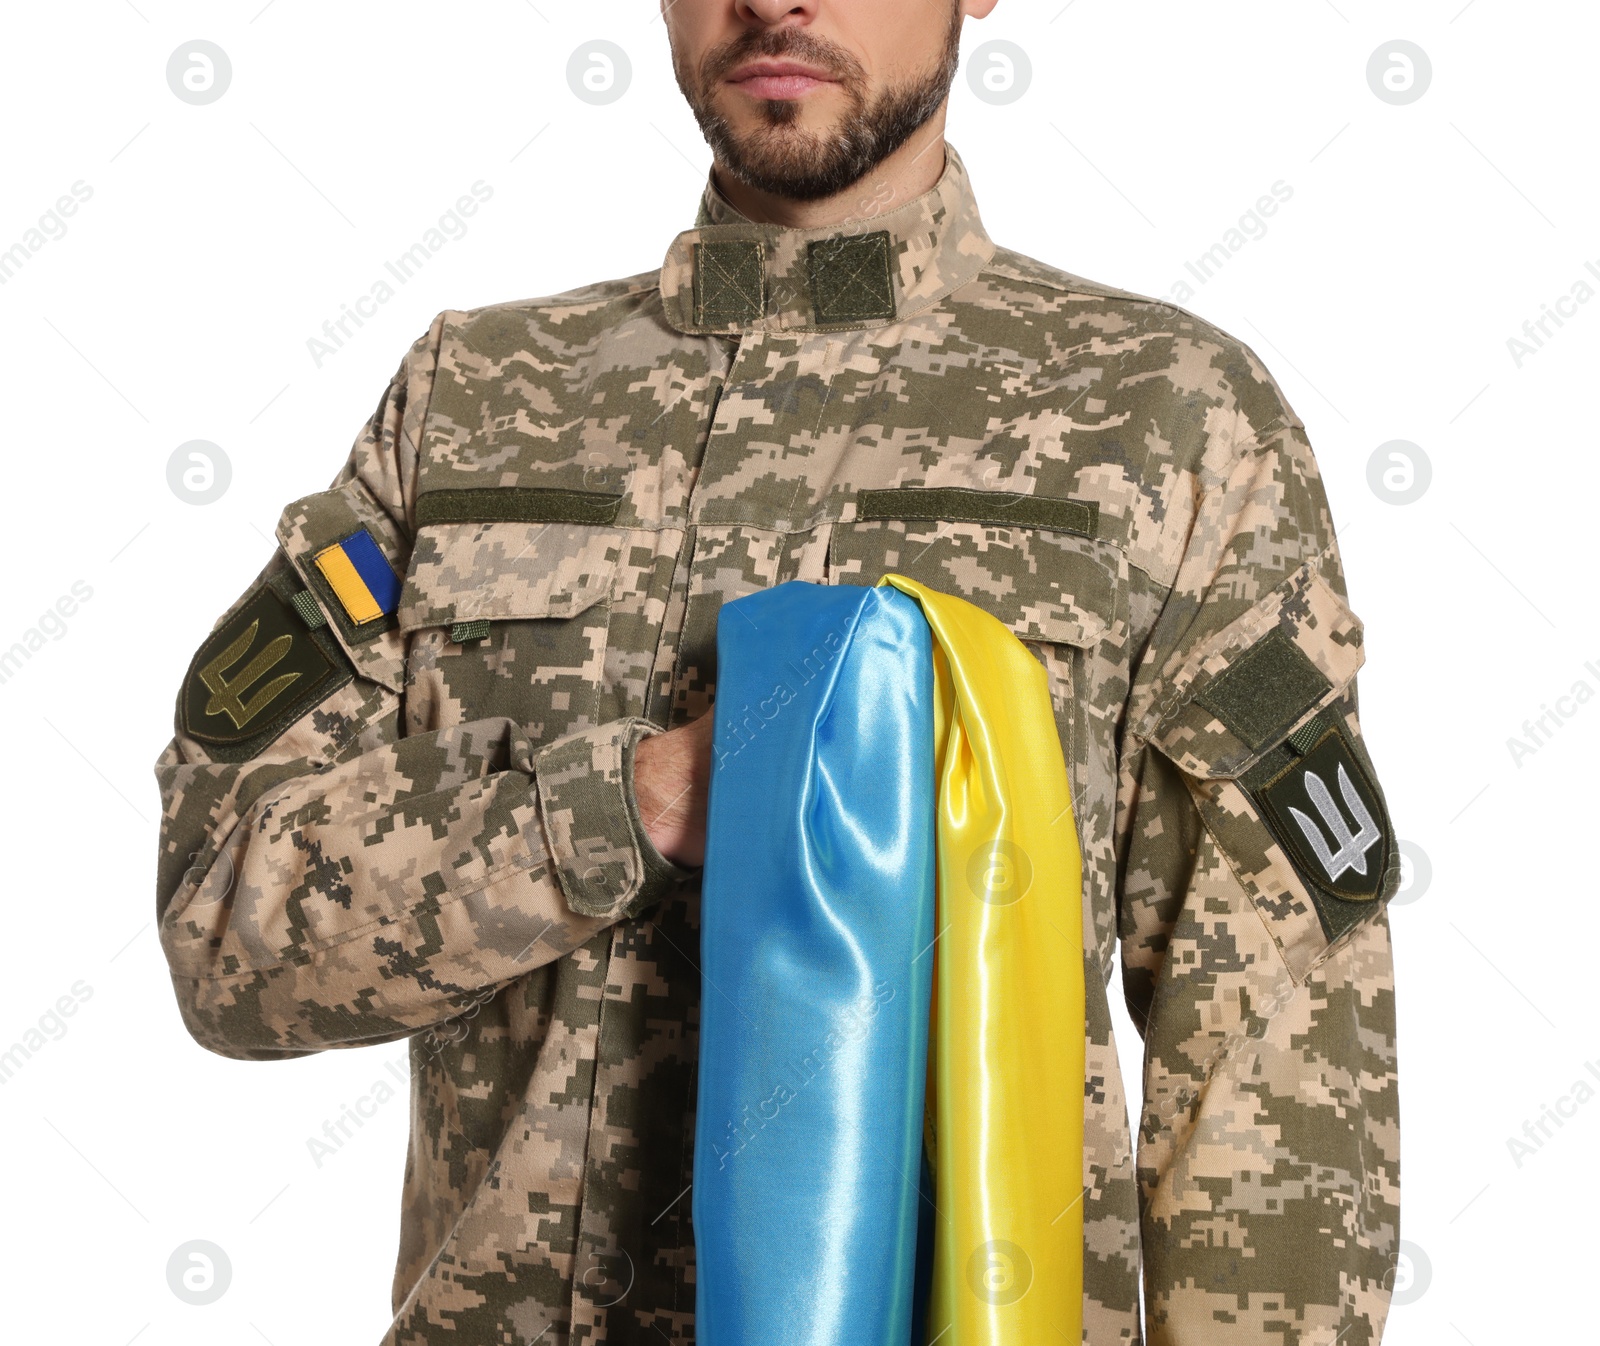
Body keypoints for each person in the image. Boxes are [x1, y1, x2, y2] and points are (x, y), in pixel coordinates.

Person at [153, 1, 1402, 1341]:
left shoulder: (1171, 421)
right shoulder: (467, 402)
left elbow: (1280, 1052)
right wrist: (620, 806)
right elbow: (226, 930)